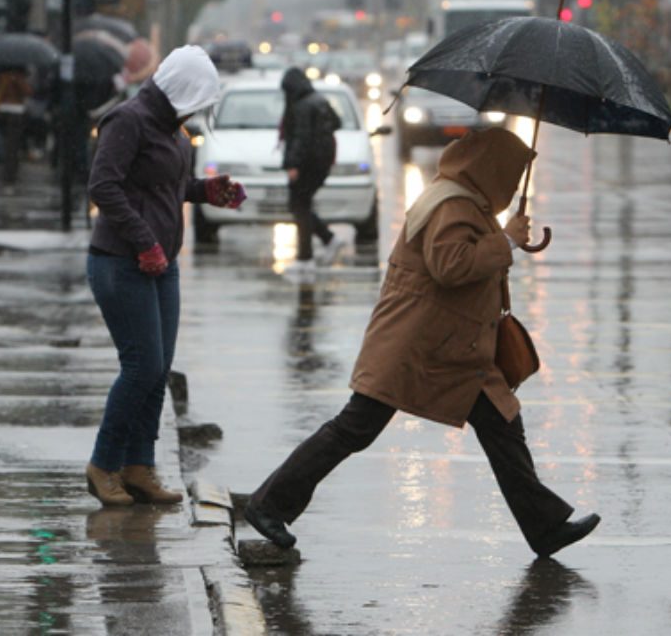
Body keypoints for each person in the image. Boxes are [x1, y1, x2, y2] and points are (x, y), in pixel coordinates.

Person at [246, 127, 600, 558]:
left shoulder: (463, 197)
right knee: (355, 428)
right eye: (510, 172)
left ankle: (544, 526)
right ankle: (268, 505)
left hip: (452, 347)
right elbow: (450, 265)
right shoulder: (452, 203)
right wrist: (505, 240)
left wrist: (505, 240)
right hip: (416, 347)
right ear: (491, 169)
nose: (512, 183)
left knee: (504, 424)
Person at [85, 45, 245, 507]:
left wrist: (205, 191)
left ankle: (139, 468)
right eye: (197, 99)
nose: (198, 111)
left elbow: (165, 186)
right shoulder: (127, 120)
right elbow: (103, 186)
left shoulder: (173, 129)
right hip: (120, 261)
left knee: (157, 373)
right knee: (142, 367)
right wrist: (144, 242)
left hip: (161, 264)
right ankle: (103, 465)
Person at [280, 67, 342, 273]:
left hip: (307, 165)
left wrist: (292, 164)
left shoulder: (302, 106)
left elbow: (301, 138)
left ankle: (307, 256)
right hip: (321, 163)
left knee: (298, 206)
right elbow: (337, 122)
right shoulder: (319, 100)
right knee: (301, 205)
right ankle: (326, 239)